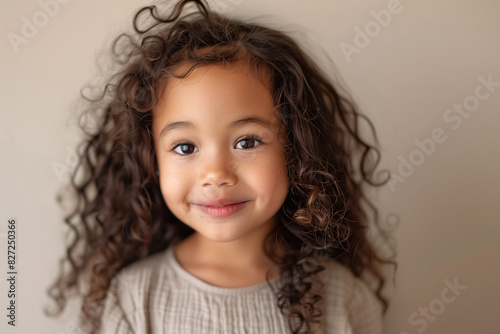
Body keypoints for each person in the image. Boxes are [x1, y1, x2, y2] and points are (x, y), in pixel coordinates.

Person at [45, 0, 395, 333]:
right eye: (185, 147)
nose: (216, 174)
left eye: (247, 142)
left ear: (297, 150)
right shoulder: (135, 298)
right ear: (151, 160)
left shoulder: (342, 298)